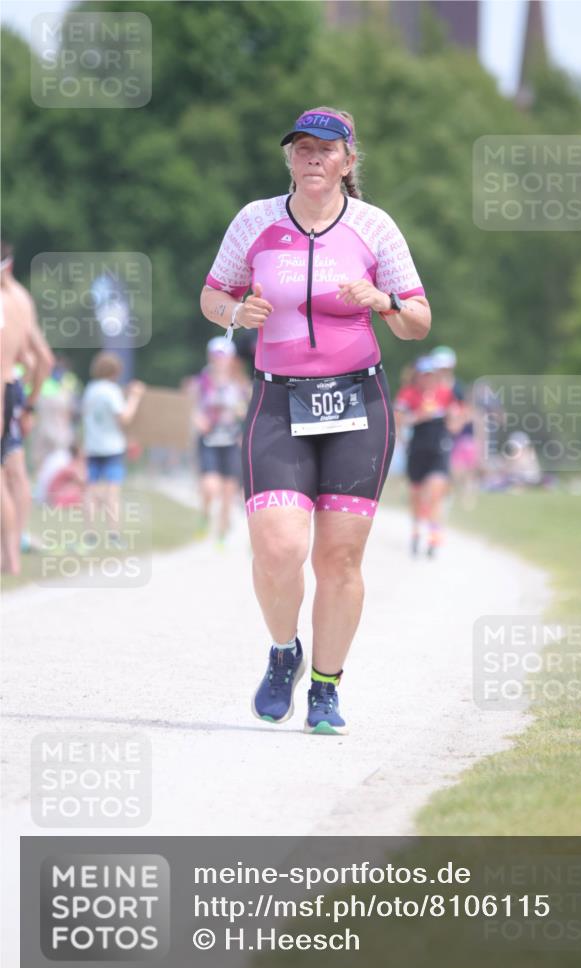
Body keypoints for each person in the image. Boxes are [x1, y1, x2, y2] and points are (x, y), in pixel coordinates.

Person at [200, 106, 430, 734]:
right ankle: (284, 653)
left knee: (339, 558)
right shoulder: (255, 220)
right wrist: (233, 314)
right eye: (302, 148)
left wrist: (381, 300)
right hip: (279, 399)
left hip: (358, 402)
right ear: (290, 159)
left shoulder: (375, 229)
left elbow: (418, 321)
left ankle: (326, 688)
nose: (313, 158)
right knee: (277, 549)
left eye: (326, 150)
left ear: (348, 161)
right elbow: (213, 292)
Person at [1, 241, 54, 574]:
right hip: (14, 389)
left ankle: (7, 554)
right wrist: (30, 404)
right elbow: (42, 359)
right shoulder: (21, 298)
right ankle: (13, 558)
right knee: (16, 473)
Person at [394, 354, 461, 558]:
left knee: (434, 494)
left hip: (438, 450)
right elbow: (398, 419)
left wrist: (453, 422)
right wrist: (419, 417)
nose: (428, 379)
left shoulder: (445, 393)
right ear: (417, 376)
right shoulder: (408, 395)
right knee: (416, 495)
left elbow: (456, 417)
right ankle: (416, 532)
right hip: (416, 450)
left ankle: (433, 536)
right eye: (424, 375)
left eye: (431, 375)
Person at [81, 351, 145, 545]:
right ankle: (114, 534)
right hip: (112, 448)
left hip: (93, 446)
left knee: (91, 491)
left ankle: (90, 534)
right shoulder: (111, 391)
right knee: (112, 492)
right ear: (116, 371)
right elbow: (124, 417)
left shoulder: (90, 390)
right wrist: (135, 397)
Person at [194, 336, 250, 545]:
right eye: (217, 356)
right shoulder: (203, 381)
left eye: (224, 356)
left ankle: (221, 534)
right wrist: (198, 419)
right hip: (209, 440)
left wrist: (242, 421)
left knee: (228, 491)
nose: (220, 360)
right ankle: (205, 514)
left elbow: (247, 410)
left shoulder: (240, 383)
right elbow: (191, 406)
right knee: (211, 487)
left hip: (231, 441)